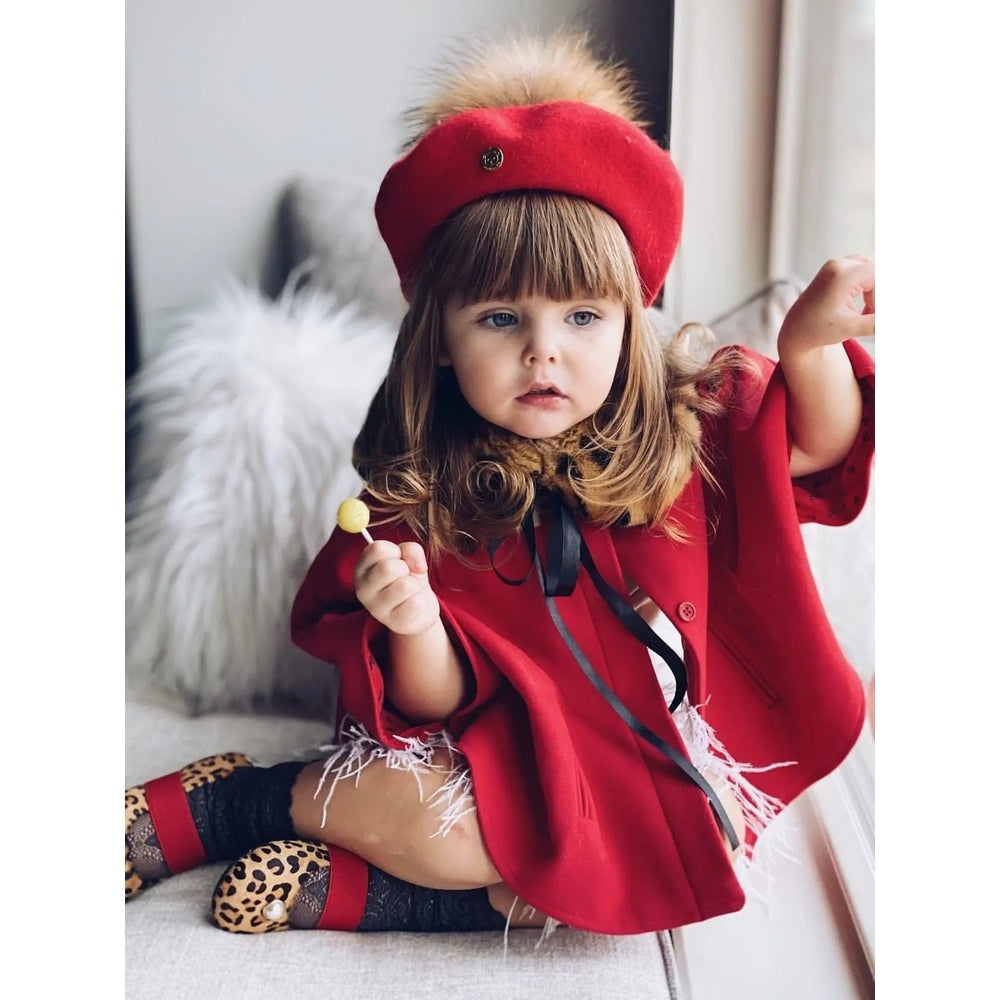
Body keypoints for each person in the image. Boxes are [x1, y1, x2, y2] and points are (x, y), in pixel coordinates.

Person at [125, 34, 874, 938]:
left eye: (584, 315)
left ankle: (360, 892)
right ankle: (234, 801)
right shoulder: (423, 499)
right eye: (500, 317)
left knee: (615, 876)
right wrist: (415, 622)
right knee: (443, 827)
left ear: (633, 321)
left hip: (643, 765)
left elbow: (810, 446)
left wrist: (810, 344)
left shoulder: (689, 426)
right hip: (492, 765)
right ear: (440, 336)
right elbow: (434, 704)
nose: (543, 350)